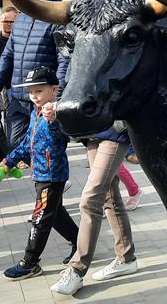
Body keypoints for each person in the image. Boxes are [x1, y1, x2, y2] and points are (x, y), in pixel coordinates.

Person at [0, 67, 78, 280]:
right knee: (55, 214)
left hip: (52, 175)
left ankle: (30, 262)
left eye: (39, 91)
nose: (34, 96)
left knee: (40, 218)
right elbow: (27, 143)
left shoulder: (58, 113)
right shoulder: (36, 111)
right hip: (40, 174)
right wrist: (7, 161)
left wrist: (52, 120)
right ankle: (79, 241)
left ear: (54, 89)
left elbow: (60, 138)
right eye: (31, 92)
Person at [51, 120, 141, 295]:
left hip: (115, 130)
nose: (34, 95)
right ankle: (126, 257)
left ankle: (77, 269)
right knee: (109, 195)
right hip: (92, 131)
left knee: (90, 201)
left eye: (38, 90)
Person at [0, 0, 69, 153]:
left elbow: (64, 60)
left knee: (50, 145)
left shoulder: (58, 19)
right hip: (17, 95)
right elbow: (8, 55)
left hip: (43, 97)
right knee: (15, 144)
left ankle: (53, 179)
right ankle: (42, 175)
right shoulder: (21, 18)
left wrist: (57, 94)